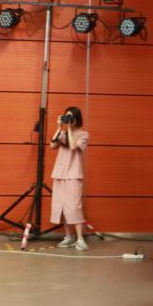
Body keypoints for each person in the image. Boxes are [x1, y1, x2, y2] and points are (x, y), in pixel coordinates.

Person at [50, 106, 91, 250]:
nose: (68, 119)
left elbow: (73, 146)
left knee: (74, 207)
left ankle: (80, 240)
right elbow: (52, 145)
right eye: (66, 116)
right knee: (61, 206)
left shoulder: (84, 134)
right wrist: (59, 127)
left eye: (70, 117)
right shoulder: (62, 133)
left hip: (74, 175)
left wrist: (68, 129)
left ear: (76, 119)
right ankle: (69, 237)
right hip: (59, 174)